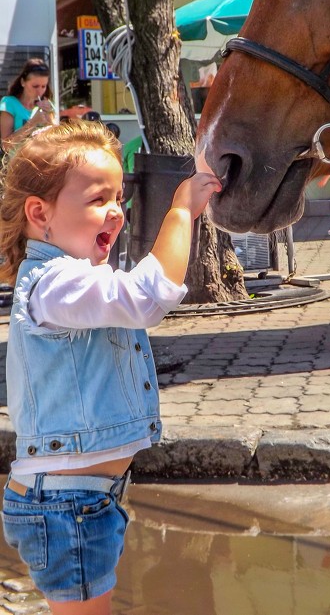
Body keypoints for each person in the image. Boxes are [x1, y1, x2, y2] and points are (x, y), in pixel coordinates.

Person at [0, 119, 221, 615]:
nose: (116, 212)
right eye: (98, 199)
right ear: (41, 213)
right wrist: (181, 212)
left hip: (83, 500)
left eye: (119, 196)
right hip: (66, 506)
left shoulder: (75, 278)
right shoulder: (52, 285)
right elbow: (146, 298)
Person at [0, 58, 54, 153]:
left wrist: (50, 120)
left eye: (43, 86)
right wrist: (32, 123)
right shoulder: (9, 104)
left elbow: (54, 140)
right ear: (23, 82)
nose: (40, 91)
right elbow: (6, 145)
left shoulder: (45, 105)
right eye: (35, 86)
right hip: (17, 164)